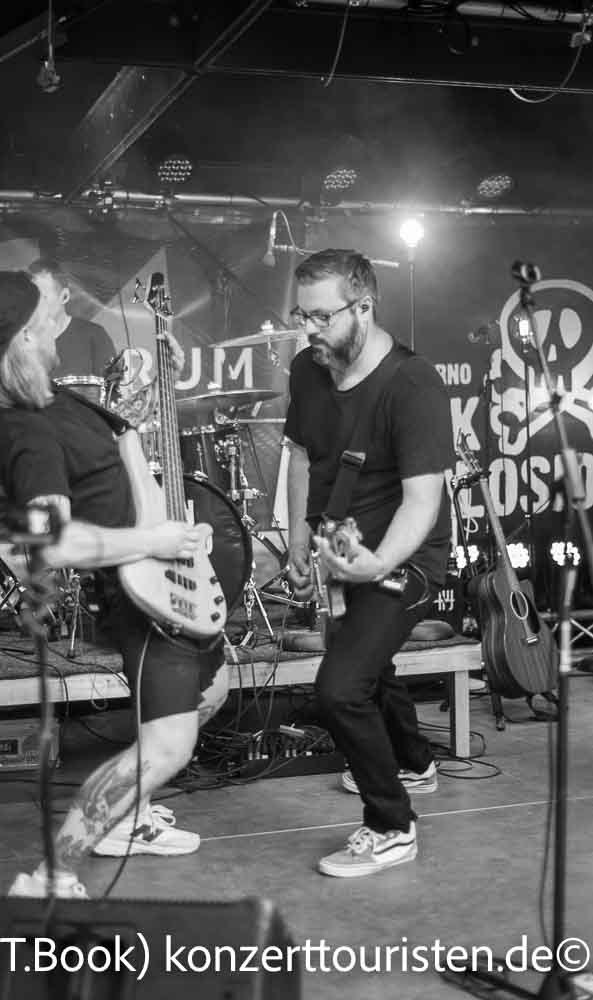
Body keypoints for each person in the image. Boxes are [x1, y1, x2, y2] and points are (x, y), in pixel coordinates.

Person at [0, 270, 228, 898]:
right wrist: (154, 543)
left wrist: (154, 387)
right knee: (166, 747)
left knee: (212, 691)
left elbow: (119, 456)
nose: (61, 310)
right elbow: (52, 543)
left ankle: (127, 811)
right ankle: (53, 875)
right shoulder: (24, 428)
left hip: (166, 577)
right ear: (25, 337)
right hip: (140, 594)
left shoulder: (58, 401)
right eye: (46, 307)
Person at [284, 249, 453, 878]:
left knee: (339, 688)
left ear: (363, 306)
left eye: (322, 317)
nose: (309, 329)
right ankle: (414, 761)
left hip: (406, 554)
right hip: (340, 543)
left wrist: (374, 564)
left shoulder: (412, 383)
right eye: (301, 316)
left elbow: (422, 501)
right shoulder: (307, 369)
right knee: (368, 664)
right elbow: (302, 457)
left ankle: (391, 825)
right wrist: (299, 539)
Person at [27, 257, 117, 379]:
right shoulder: (20, 342)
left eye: (43, 297)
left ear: (65, 296)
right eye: (30, 297)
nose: (35, 304)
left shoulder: (94, 335)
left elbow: (113, 387)